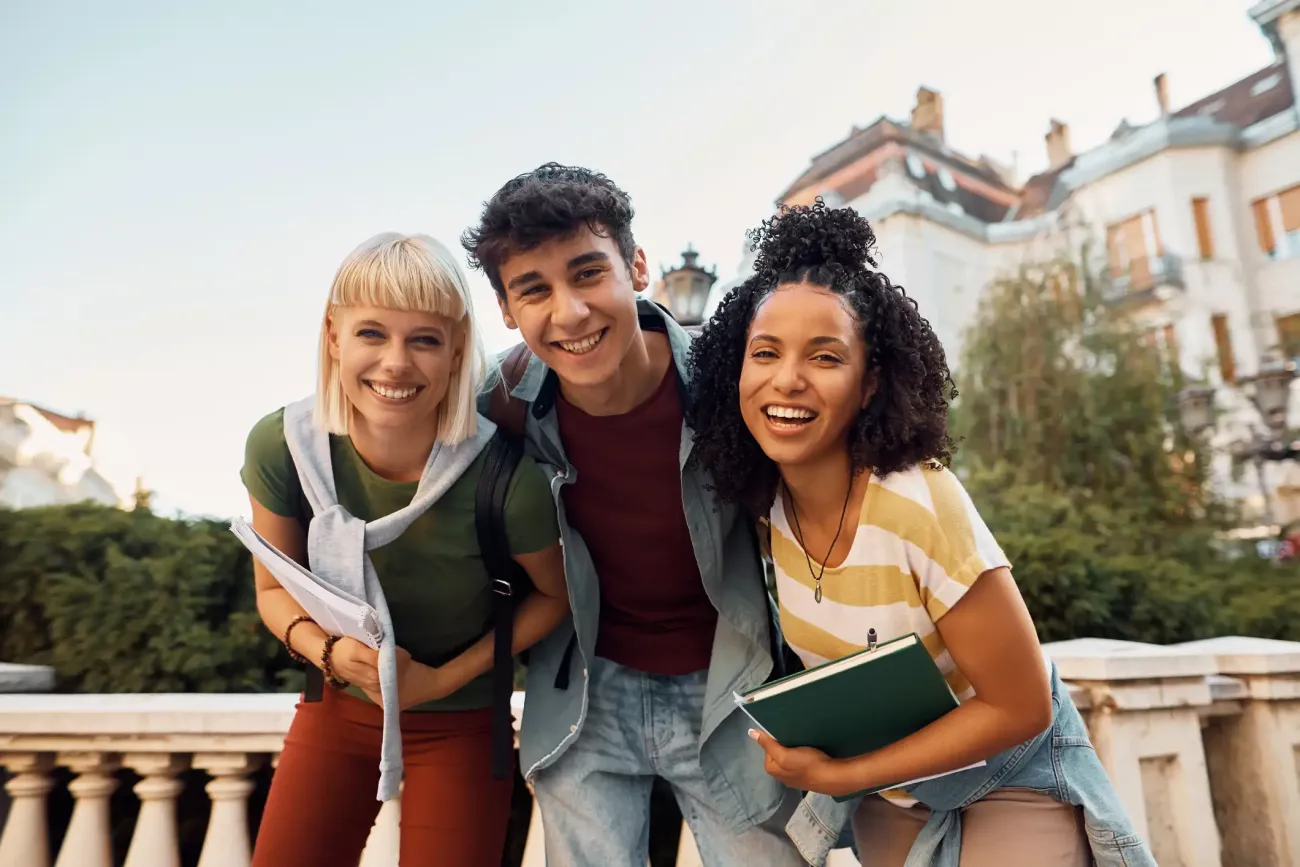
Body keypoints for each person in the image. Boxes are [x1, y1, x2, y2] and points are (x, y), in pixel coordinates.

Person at [685, 200, 1156, 867]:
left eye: (824, 356)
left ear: (869, 383)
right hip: (890, 800)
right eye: (765, 353)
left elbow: (1020, 705)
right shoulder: (769, 510)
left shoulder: (917, 502)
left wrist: (846, 775)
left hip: (1004, 780)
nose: (786, 378)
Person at [462, 163, 805, 867]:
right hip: (585, 690)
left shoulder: (727, 384)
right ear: (506, 310)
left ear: (637, 266)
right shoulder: (496, 403)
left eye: (588, 273)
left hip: (728, 690)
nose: (570, 312)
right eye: (534, 290)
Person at [242, 232, 568, 867]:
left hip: (463, 721)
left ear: (455, 353)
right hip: (336, 705)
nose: (395, 362)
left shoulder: (506, 478)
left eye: (424, 339)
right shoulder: (281, 447)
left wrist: (440, 679)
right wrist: (330, 651)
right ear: (333, 336)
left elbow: (557, 597)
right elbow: (273, 589)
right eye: (371, 334)